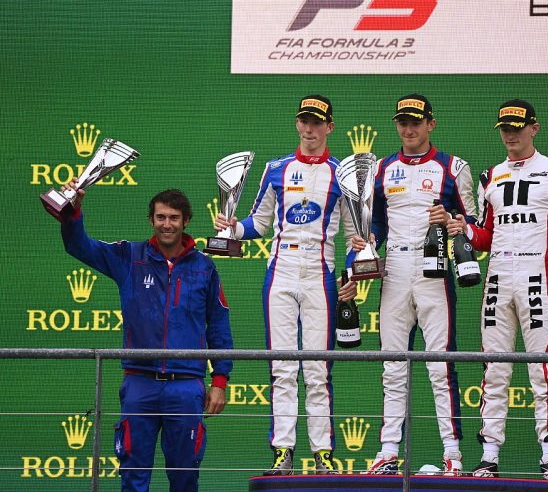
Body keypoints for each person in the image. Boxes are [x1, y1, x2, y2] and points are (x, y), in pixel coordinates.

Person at [448, 99, 548, 481]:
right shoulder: (489, 176)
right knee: (494, 368)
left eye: (517, 127)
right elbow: (484, 236)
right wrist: (463, 229)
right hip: (497, 275)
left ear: (534, 128)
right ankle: (488, 456)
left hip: (535, 274)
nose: (510, 134)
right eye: (505, 129)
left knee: (542, 368)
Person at [58, 186, 234, 492]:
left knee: (185, 476)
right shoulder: (129, 257)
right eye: (161, 217)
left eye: (174, 218)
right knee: (133, 475)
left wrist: (219, 380)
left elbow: (218, 325)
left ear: (186, 221)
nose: (167, 224)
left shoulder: (205, 267)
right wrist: (72, 210)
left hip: (186, 385)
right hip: (140, 383)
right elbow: (79, 246)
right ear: (151, 220)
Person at [214, 95, 355, 475]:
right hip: (281, 269)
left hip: (321, 271)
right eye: (304, 121)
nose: (309, 129)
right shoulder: (276, 169)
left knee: (318, 369)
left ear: (329, 127)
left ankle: (323, 453)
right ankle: (282, 450)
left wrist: (352, 274)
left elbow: (356, 235)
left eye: (317, 122)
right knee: (282, 367)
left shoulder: (342, 174)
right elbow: (258, 223)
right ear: (297, 124)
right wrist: (232, 229)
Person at [348, 94, 477, 476]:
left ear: (430, 124)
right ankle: (388, 451)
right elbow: (375, 223)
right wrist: (365, 247)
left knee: (440, 365)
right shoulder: (382, 169)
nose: (409, 129)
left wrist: (453, 220)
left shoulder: (453, 167)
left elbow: (474, 223)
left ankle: (452, 455)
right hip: (393, 268)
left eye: (416, 122)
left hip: (434, 267)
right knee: (392, 364)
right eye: (403, 122)